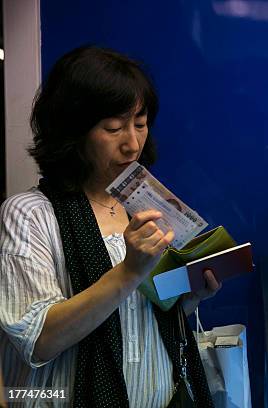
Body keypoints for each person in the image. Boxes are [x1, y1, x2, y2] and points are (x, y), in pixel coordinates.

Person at [0, 46, 220, 407]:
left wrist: (191, 295)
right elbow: (37, 340)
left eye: (140, 123)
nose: (132, 144)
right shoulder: (29, 215)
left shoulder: (148, 203)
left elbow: (144, 316)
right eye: (113, 127)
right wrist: (128, 272)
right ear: (74, 132)